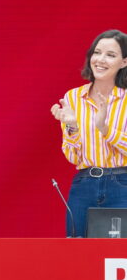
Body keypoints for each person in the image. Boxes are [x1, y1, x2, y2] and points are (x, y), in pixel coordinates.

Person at [50, 29, 127, 238]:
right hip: (84, 183)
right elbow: (72, 156)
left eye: (110, 55)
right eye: (97, 52)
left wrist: (105, 129)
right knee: (77, 251)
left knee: (119, 254)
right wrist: (72, 127)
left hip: (122, 183)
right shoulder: (73, 97)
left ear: (124, 62)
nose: (100, 60)